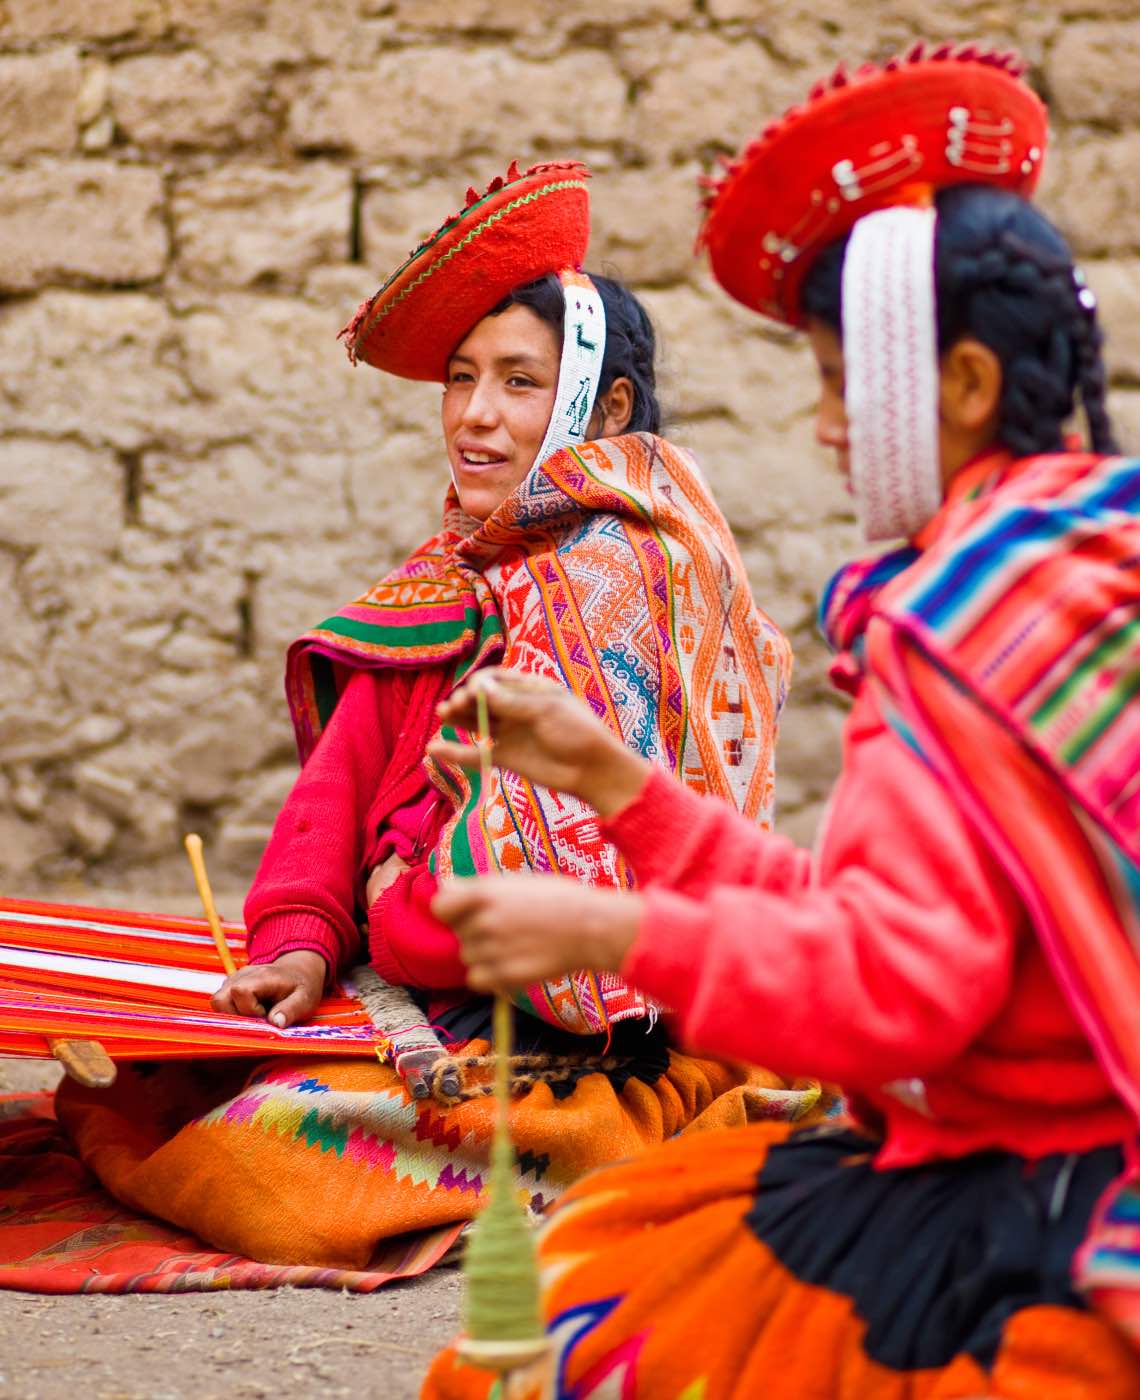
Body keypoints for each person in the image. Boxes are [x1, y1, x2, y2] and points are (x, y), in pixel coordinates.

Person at [422, 48, 1140, 1400]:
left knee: (564, 1328)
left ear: (968, 387)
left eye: (831, 382)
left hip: (1027, 1210)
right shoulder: (1083, 567)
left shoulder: (959, 638)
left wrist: (608, 930)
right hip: (1062, 1144)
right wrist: (621, 788)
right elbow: (895, 907)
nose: (820, 428)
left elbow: (898, 987)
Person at [55, 161, 810, 1274]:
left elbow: (551, 906)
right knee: (135, 1076)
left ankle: (581, 1145)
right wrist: (303, 943)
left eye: (517, 381)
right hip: (402, 992)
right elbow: (342, 784)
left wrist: (393, 909)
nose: (475, 415)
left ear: (599, 408)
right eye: (462, 378)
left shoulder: (629, 579)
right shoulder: (452, 574)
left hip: (577, 1039)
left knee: (263, 1154)